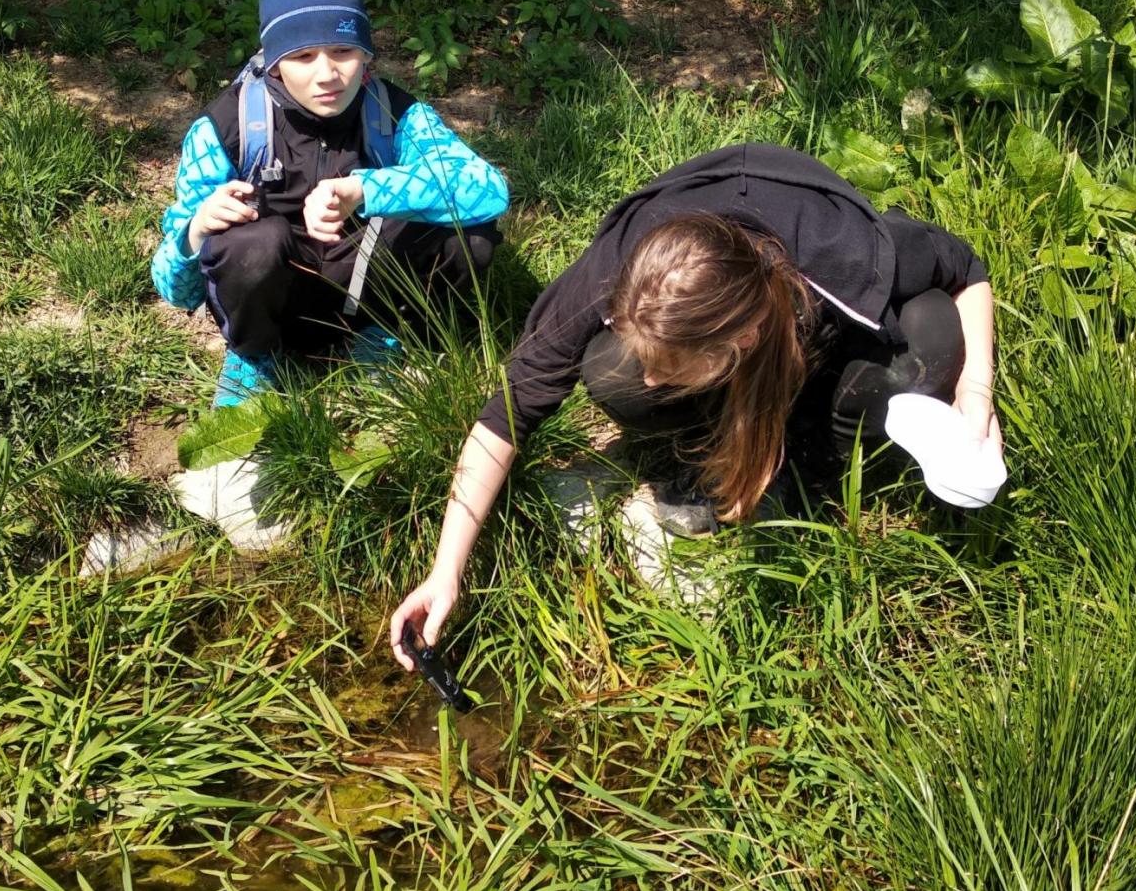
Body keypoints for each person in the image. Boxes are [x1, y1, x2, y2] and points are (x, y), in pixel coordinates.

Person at [390, 143, 999, 669]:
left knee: (930, 338)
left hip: (821, 308)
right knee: (613, 374)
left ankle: (809, 467)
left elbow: (967, 270)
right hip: (723, 291)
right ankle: (722, 442)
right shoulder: (616, 270)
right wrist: (446, 573)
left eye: (670, 368)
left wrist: (976, 400)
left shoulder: (849, 255)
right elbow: (505, 416)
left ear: (739, 345)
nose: (652, 380)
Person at [152, 0, 510, 406]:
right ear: (275, 61)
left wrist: (368, 190)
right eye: (302, 56)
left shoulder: (394, 113)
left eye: (343, 50)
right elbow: (173, 290)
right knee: (246, 240)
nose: (328, 74)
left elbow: (489, 190)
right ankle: (255, 356)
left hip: (368, 289)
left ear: (365, 54)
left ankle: (384, 340)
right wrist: (195, 230)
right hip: (274, 297)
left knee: (468, 236)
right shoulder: (228, 126)